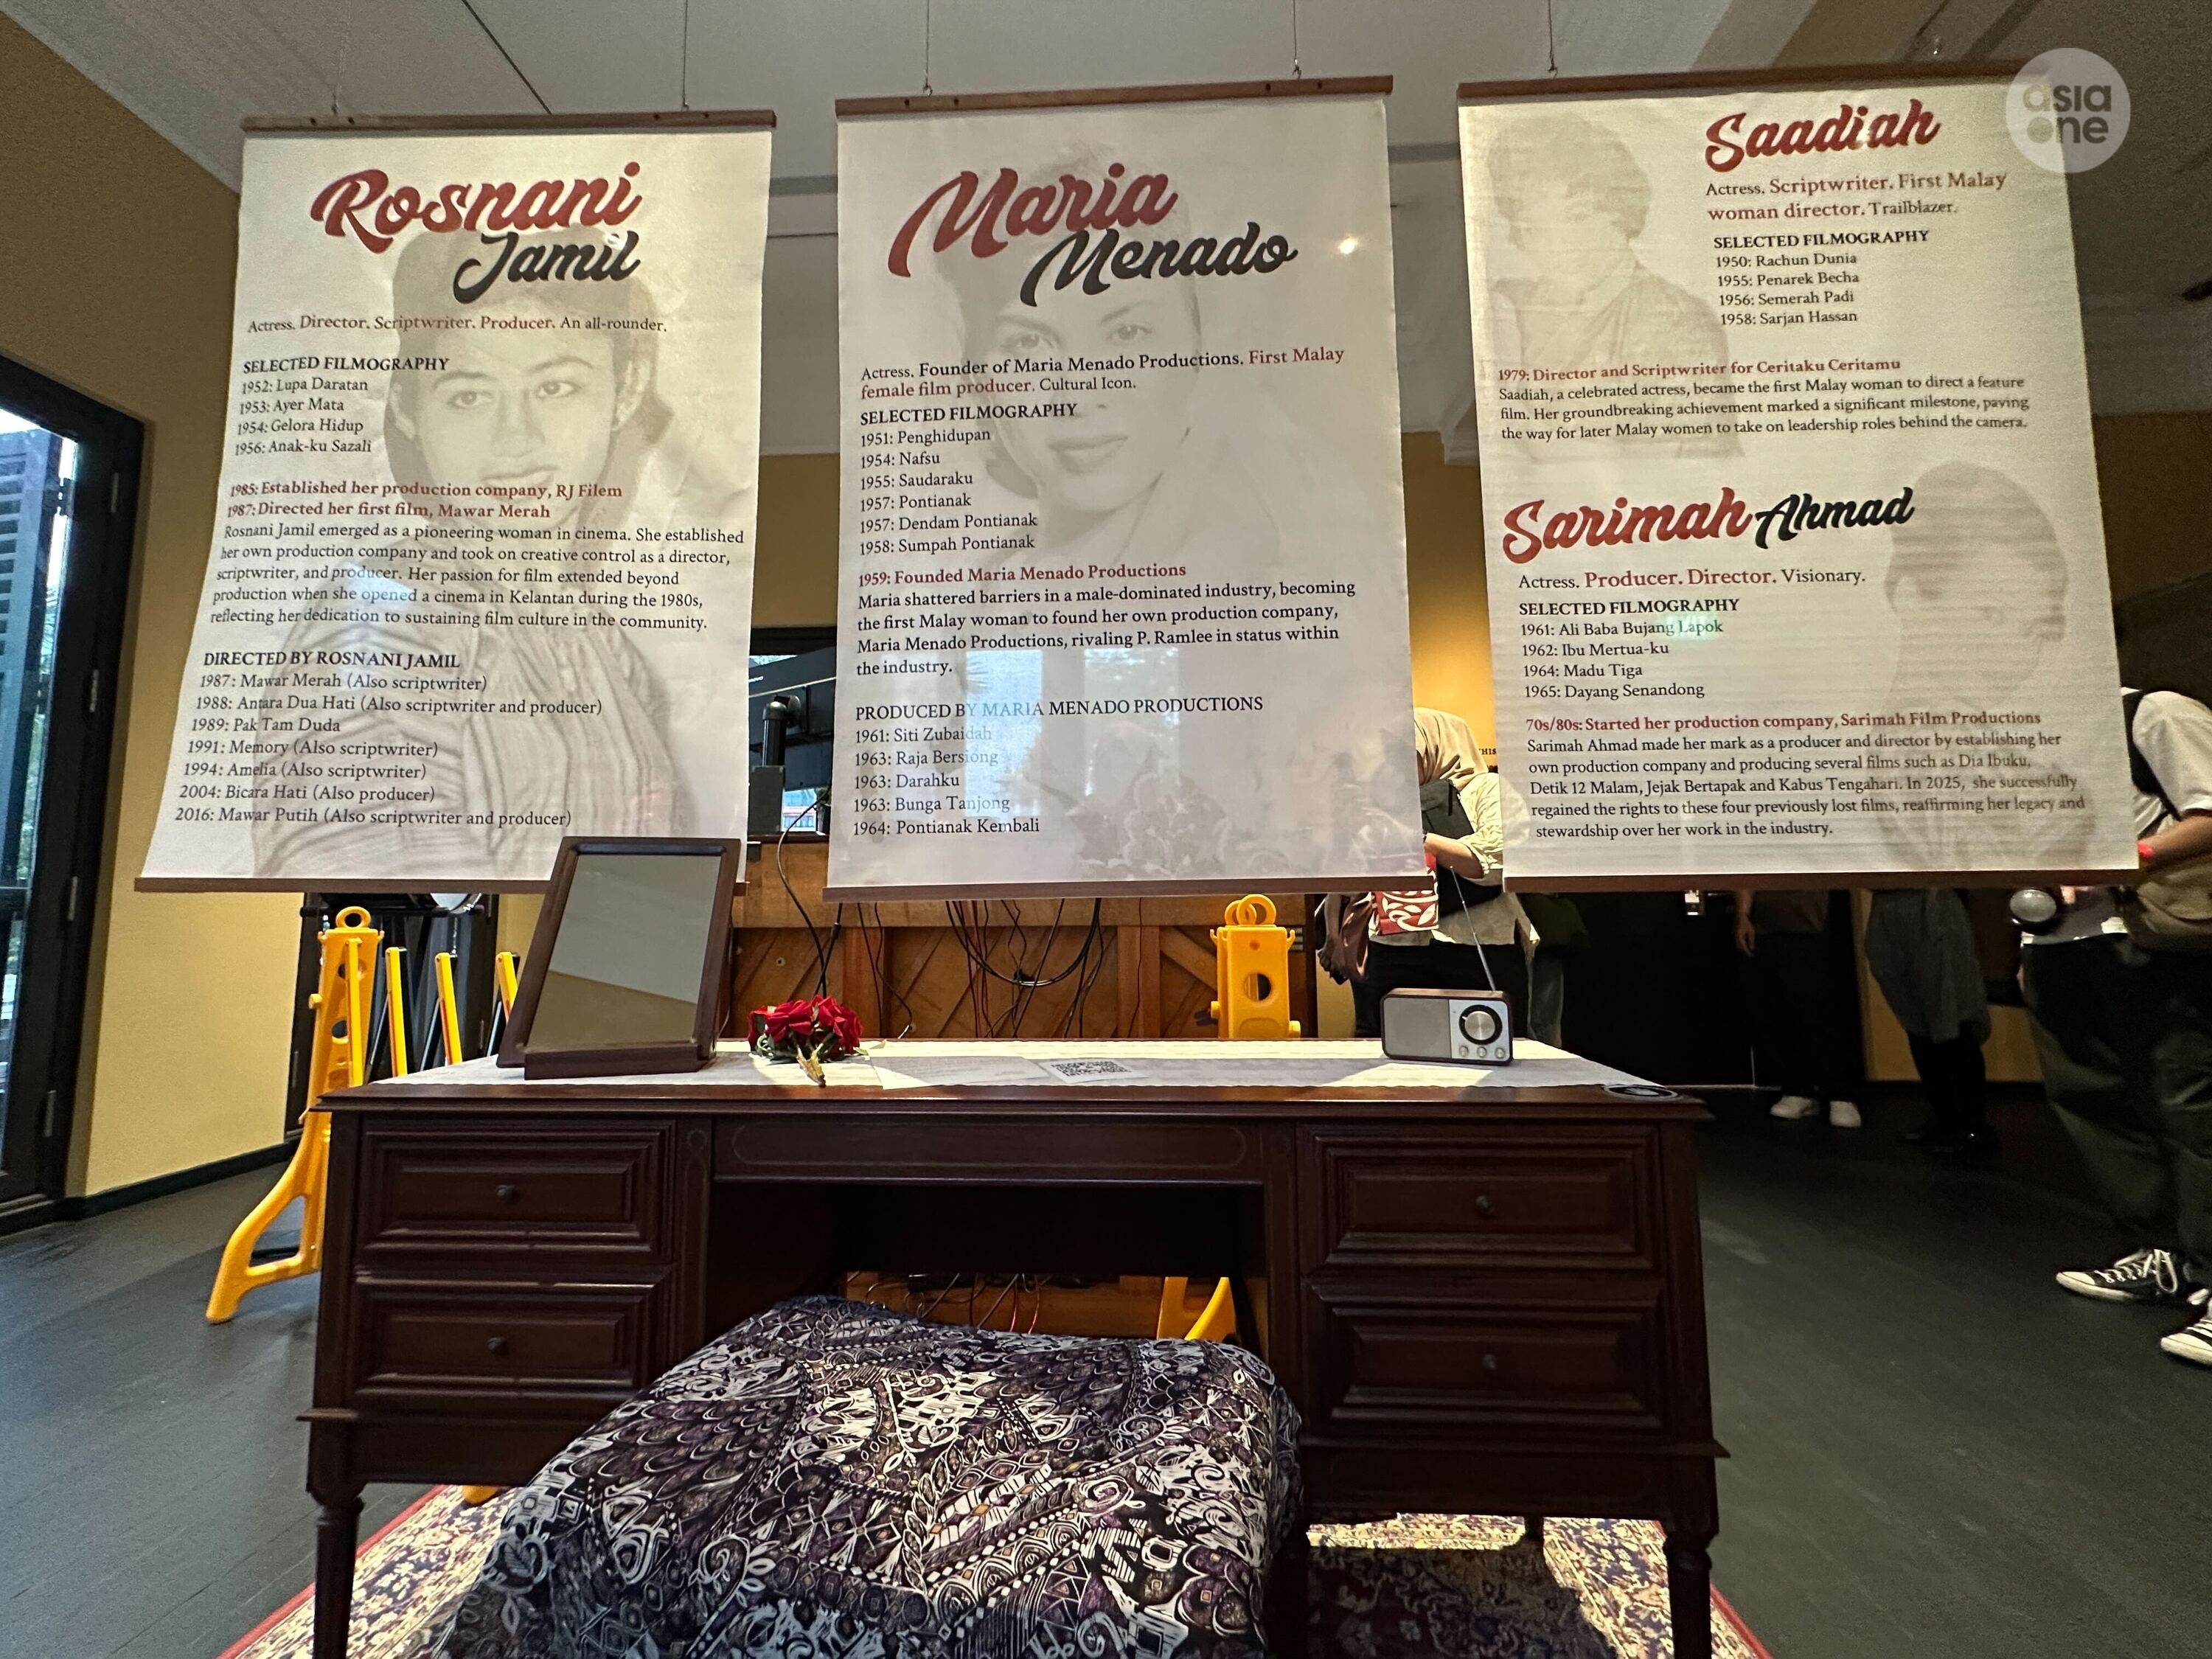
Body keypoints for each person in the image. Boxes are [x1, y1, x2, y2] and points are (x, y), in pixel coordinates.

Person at [2022, 687, 2212, 1369]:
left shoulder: (2153, 712)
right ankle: (2166, 1253)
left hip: (2148, 934)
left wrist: (2128, 858)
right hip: (2058, 942)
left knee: (2187, 1105)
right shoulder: (2024, 730)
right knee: (2094, 1099)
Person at [1352, 710, 1534, 1039]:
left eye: (1406, 754)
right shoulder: (1387, 801)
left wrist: (1423, 841)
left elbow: (1500, 858)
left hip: (1475, 943)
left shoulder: (1486, 789)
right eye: (1391, 754)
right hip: (1397, 943)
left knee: (1483, 1045)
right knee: (1400, 1048)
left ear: (1436, 745)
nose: (1397, 766)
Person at [1863, 887, 1996, 1158]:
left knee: (1952, 1016)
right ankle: (1943, 1118)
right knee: (1915, 1019)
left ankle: (1973, 1127)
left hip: (1933, 898)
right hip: (1888, 903)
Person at [1733, 889, 1860, 1129]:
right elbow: (1744, 876)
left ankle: (1841, 1093)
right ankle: (1798, 1089)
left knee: (1821, 1014)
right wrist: (1743, 915)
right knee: (1774, 1014)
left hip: (1812, 927)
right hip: (1765, 927)